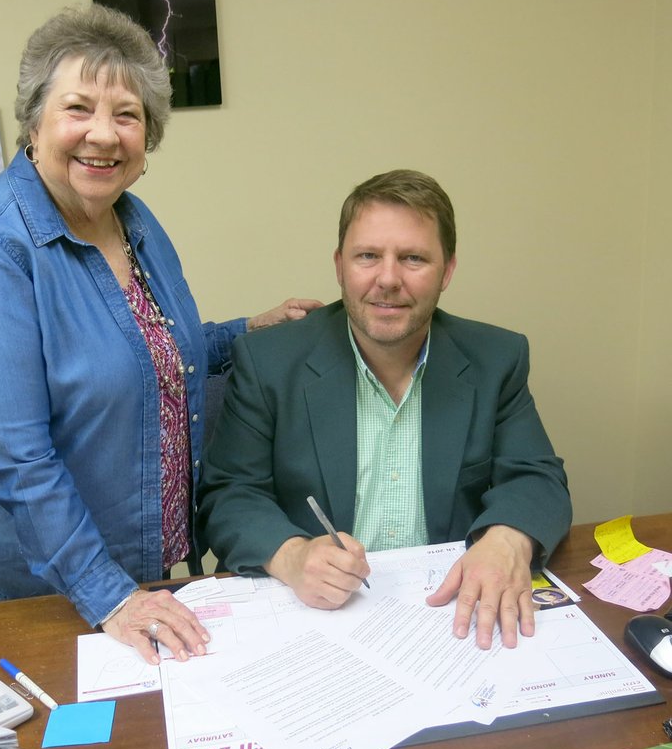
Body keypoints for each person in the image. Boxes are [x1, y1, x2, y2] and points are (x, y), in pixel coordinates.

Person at [0, 3, 321, 665]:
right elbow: (12, 451)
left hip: (137, 562)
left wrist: (243, 331)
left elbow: (152, 349)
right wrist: (110, 595)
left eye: (128, 115)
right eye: (78, 108)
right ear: (35, 120)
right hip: (46, 575)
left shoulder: (133, 221)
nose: (104, 135)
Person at [197, 169, 572, 650]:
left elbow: (538, 477)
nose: (388, 279)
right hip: (317, 623)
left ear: (448, 270)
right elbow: (228, 494)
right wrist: (291, 557)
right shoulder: (269, 361)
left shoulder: (494, 359)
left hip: (450, 617)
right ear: (340, 266)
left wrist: (507, 539)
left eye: (413, 258)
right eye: (368, 256)